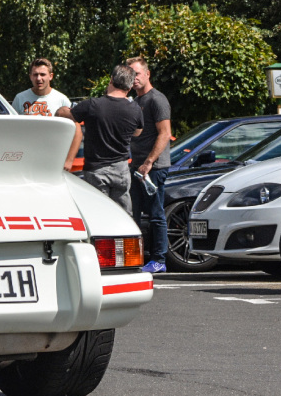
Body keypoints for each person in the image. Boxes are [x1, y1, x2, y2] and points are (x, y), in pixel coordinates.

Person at [57, 64, 141, 214]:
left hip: (96, 170)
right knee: (123, 216)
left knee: (99, 215)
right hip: (121, 169)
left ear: (111, 80)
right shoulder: (135, 109)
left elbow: (66, 115)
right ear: (129, 87)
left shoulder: (92, 105)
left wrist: (61, 110)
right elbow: (137, 133)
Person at [126, 57, 173, 273]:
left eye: (136, 73)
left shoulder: (156, 99)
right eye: (130, 74)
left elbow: (165, 134)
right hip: (136, 166)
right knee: (132, 213)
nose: (133, 78)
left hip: (153, 168)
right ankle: (136, 259)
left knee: (156, 215)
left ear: (147, 74)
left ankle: (159, 260)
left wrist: (149, 162)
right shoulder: (135, 102)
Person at [12, 58, 77, 170]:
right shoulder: (20, 98)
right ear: (30, 76)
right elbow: (11, 128)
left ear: (50, 76)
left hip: (53, 157)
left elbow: (76, 130)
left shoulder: (61, 99)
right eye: (35, 74)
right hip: (25, 157)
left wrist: (69, 160)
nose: (39, 78)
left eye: (43, 74)